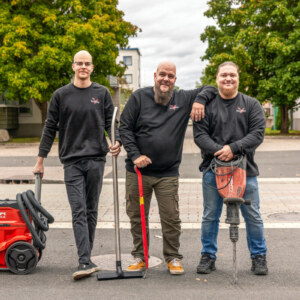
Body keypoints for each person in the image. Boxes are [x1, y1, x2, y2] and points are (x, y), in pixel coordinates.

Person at [119, 61, 217, 275]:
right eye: (162, 74)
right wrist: (135, 155)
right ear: (155, 75)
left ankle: (173, 257)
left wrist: (199, 101)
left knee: (171, 218)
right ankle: (140, 256)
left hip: (167, 173)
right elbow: (124, 127)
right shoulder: (139, 97)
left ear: (175, 79)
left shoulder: (182, 98)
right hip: (137, 172)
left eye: (170, 76)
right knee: (137, 216)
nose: (166, 79)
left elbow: (211, 88)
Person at [33, 50, 121, 280]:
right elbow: (50, 128)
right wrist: (40, 160)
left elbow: (112, 123)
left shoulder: (101, 93)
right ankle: (84, 260)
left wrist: (116, 142)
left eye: (87, 63)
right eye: (79, 63)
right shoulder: (60, 95)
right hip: (71, 161)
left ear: (92, 67)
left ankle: (86, 257)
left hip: (96, 160)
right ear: (73, 66)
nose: (83, 67)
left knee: (91, 210)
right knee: (78, 209)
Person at [193, 61, 268, 275]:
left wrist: (233, 149)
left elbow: (257, 134)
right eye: (224, 75)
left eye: (232, 75)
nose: (228, 79)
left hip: (246, 171)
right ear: (217, 78)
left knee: (252, 215)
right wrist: (221, 152)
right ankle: (208, 256)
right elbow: (200, 136)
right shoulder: (206, 106)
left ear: (238, 78)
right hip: (212, 170)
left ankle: (259, 256)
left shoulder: (251, 104)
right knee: (210, 215)